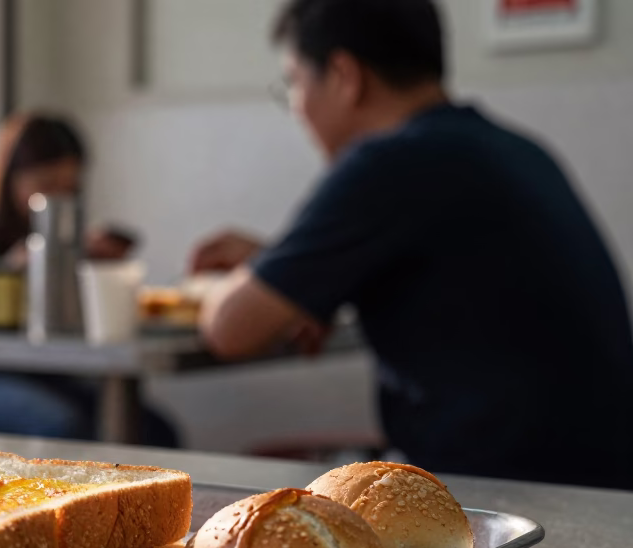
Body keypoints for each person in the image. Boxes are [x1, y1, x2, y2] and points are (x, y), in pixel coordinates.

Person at [191, 0, 633, 487]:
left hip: (510, 491)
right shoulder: (511, 148)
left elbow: (230, 329)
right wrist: (285, 277)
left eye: (294, 82)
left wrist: (213, 287)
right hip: (600, 480)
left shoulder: (389, 163)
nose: (296, 107)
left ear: (344, 76)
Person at [0, 113, 177, 446]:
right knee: (61, 425)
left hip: (48, 375)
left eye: (69, 189)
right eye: (46, 186)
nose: (57, 199)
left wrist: (92, 271)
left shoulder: (64, 237)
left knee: (154, 429)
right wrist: (12, 269)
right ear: (10, 177)